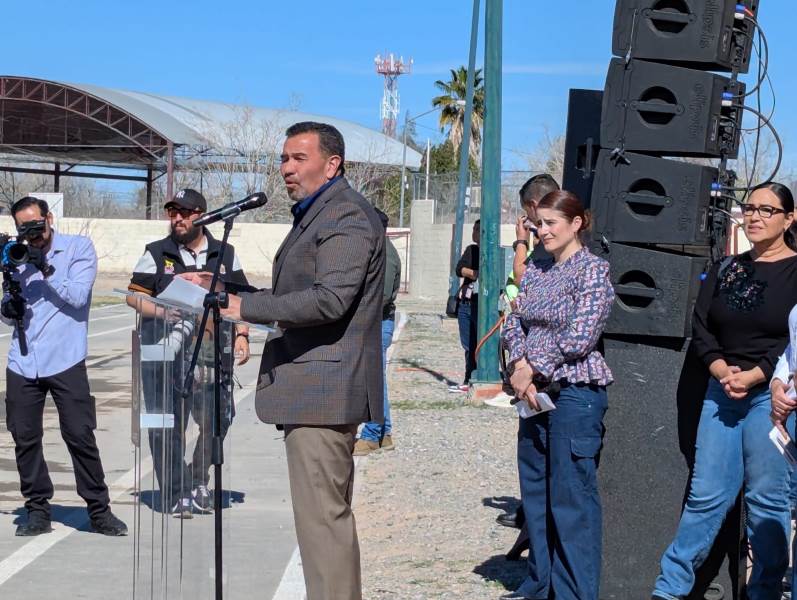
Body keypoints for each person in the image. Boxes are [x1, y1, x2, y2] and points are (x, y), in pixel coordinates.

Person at [198, 121, 384, 600]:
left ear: (333, 163)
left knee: (324, 526)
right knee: (320, 525)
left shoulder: (345, 216)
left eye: (299, 158)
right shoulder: (317, 213)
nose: (286, 168)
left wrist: (246, 308)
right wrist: (227, 292)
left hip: (325, 392)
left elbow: (328, 301)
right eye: (284, 158)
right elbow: (297, 295)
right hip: (313, 390)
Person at [652, 181, 797, 600]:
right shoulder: (725, 268)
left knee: (767, 501)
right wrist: (720, 369)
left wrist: (757, 376)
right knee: (705, 497)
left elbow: (794, 342)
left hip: (773, 399)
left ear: (789, 219)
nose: (753, 216)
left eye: (767, 210)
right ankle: (669, 589)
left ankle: (764, 591)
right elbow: (702, 327)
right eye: (749, 208)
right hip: (721, 392)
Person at [501, 190, 614, 600]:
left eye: (551, 223)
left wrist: (535, 366)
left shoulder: (593, 272)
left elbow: (581, 335)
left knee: (571, 501)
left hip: (573, 392)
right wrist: (518, 366)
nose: (542, 231)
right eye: (538, 224)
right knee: (537, 496)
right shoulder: (536, 267)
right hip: (531, 394)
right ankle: (539, 585)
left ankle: (573, 593)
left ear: (576, 223)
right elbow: (514, 317)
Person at [2, 196, 127, 537]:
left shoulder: (78, 248)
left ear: (50, 218)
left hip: (66, 358)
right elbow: (8, 307)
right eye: (24, 229)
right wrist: (7, 306)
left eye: (36, 226)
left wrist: (41, 265)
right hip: (24, 360)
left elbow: (77, 296)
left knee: (79, 435)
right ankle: (37, 509)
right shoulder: (15, 257)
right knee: (24, 437)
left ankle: (99, 510)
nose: (32, 234)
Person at [127, 188, 251, 517]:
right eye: (172, 213)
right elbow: (133, 296)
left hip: (212, 349)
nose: (177, 219)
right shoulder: (156, 251)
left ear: (202, 215)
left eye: (184, 212)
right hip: (165, 351)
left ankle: (198, 480)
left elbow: (239, 298)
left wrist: (242, 334)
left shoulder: (225, 253)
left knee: (217, 420)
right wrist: (161, 312)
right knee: (168, 424)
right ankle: (176, 490)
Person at [499, 173, 561, 529]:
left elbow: (522, 277)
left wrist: (521, 241)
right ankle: (532, 510)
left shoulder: (546, 241)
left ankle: (536, 512)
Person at [354, 207, 400, 456]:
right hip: (375, 323)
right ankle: (384, 434)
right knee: (375, 379)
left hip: (377, 323)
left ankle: (372, 434)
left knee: (373, 381)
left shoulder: (385, 254)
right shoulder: (378, 250)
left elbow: (379, 297)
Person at [450, 219, 480, 391]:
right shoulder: (471, 250)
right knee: (467, 344)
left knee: (479, 342)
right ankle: (468, 377)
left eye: (478, 229)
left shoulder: (492, 252)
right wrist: (474, 273)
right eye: (474, 228)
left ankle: (477, 375)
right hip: (466, 304)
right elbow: (459, 268)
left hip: (480, 305)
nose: (474, 232)